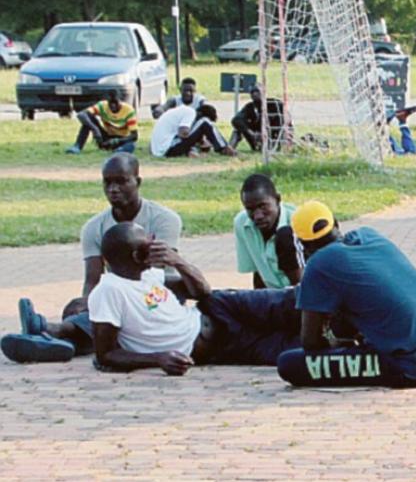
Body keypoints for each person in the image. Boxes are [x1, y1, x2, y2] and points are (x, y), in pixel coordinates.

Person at [4, 154, 183, 363]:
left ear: (138, 181)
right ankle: (62, 345)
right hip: (121, 295)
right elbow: (93, 279)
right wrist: (89, 303)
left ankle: (51, 330)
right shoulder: (94, 227)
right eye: (107, 182)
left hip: (161, 294)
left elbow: (154, 269)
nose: (113, 189)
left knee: (114, 309)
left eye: (121, 181)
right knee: (89, 310)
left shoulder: (165, 219)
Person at [276, 201, 416, 388]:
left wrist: (337, 344)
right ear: (336, 224)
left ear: (303, 244)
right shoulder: (370, 236)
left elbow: (310, 342)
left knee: (288, 363)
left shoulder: (318, 264)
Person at [80, 222, 299, 374]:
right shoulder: (109, 291)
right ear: (137, 256)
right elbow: (106, 355)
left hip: (220, 307)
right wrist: (158, 359)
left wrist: (178, 261)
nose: (156, 243)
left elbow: (202, 291)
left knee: (287, 302)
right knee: (293, 346)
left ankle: (330, 296)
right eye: (150, 242)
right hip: (219, 346)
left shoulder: (147, 274)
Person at [233, 174, 300, 289]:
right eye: (250, 209)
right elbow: (258, 272)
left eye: (263, 206)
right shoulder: (242, 224)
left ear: (277, 200)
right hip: (273, 297)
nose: (258, 216)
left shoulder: (298, 221)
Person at [151, 102, 234, 158]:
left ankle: (192, 152)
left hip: (161, 149)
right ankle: (224, 148)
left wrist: (198, 140)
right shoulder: (191, 112)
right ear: (200, 114)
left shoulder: (182, 111)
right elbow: (183, 133)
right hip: (168, 148)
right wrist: (200, 141)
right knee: (205, 122)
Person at [65, 97, 139, 155]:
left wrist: (117, 141)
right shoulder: (102, 106)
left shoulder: (128, 110)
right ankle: (77, 146)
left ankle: (120, 151)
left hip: (121, 138)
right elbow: (81, 114)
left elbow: (134, 136)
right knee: (87, 120)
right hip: (106, 136)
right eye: (111, 104)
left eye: (116, 104)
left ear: (120, 102)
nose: (113, 107)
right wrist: (95, 129)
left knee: (131, 144)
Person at [232, 86, 290, 152]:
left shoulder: (275, 103)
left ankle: (275, 145)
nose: (255, 94)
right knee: (239, 126)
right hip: (256, 135)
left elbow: (287, 118)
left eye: (257, 92)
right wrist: (252, 133)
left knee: (282, 121)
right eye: (252, 92)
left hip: (272, 134)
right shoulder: (249, 107)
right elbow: (236, 120)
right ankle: (229, 148)